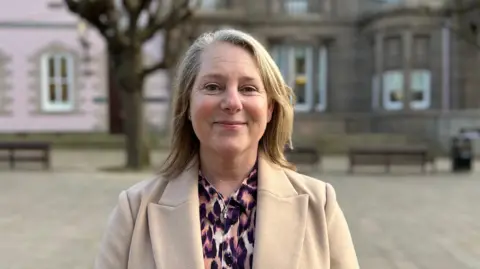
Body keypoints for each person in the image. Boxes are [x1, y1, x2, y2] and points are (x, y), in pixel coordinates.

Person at [94, 29, 359, 269]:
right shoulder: (135, 210)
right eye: (212, 87)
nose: (232, 102)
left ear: (269, 109)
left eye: (248, 88)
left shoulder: (320, 206)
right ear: (187, 105)